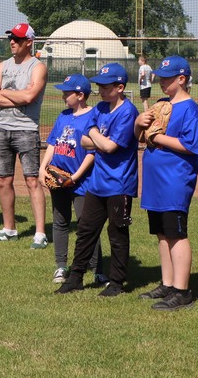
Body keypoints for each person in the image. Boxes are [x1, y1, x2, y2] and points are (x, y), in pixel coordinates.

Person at [58, 62, 140, 295]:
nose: (101, 90)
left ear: (120, 87)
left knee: (117, 232)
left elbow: (109, 146)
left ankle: (116, 283)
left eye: (106, 86)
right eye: (99, 86)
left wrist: (93, 133)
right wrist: (96, 138)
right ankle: (75, 278)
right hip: (98, 181)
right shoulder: (101, 108)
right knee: (86, 230)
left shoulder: (127, 112)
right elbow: (84, 141)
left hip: (120, 183)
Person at [134, 55, 198, 310]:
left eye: (167, 78)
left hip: (175, 181)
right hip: (155, 181)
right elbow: (142, 137)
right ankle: (168, 283)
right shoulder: (161, 104)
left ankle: (182, 291)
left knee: (176, 234)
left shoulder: (191, 109)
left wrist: (158, 137)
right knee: (162, 234)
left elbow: (189, 145)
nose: (162, 82)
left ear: (182, 79)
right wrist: (138, 125)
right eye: (161, 78)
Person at [0, 23, 49, 247]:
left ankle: (40, 233)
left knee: (32, 180)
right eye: (11, 38)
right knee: (3, 180)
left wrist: (3, 92)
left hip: (27, 129)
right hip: (2, 128)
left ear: (29, 42)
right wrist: (14, 95)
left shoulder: (38, 67)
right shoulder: (2, 66)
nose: (12, 42)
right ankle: (9, 229)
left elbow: (29, 97)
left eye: (18, 39)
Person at [39, 75, 97, 287]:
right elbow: (53, 143)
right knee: (60, 222)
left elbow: (92, 152)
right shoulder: (63, 116)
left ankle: (96, 267)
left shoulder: (93, 116)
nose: (63, 95)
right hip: (58, 177)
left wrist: (75, 177)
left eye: (67, 92)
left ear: (80, 95)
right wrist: (43, 167)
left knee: (86, 224)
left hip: (82, 181)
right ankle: (61, 265)